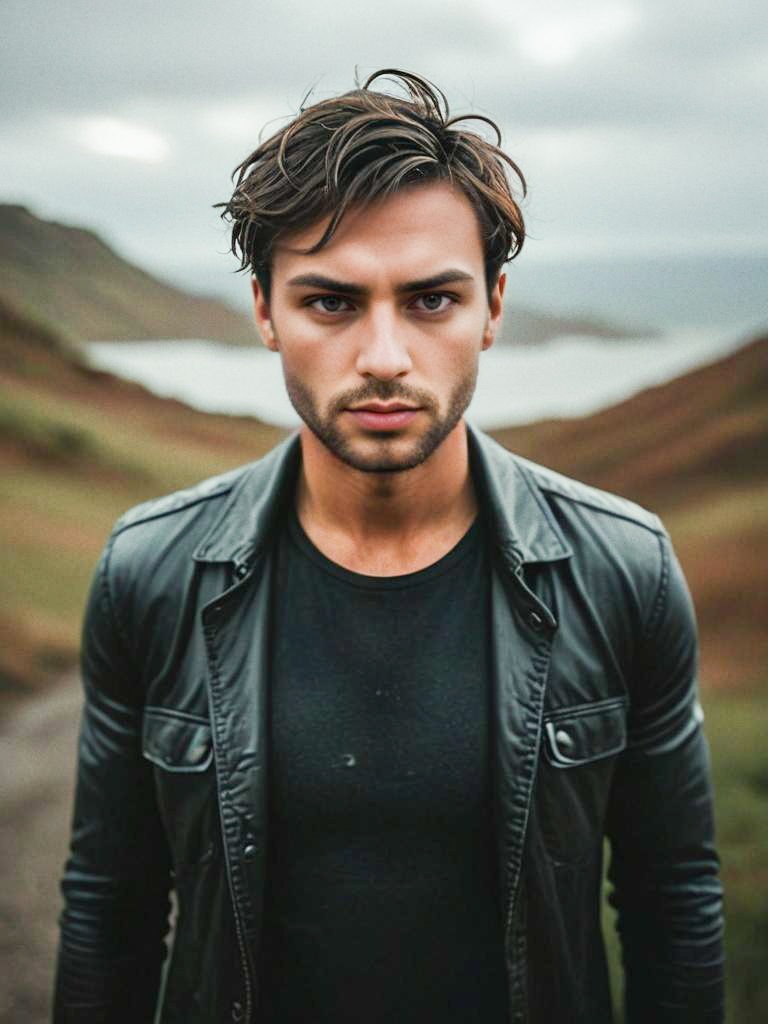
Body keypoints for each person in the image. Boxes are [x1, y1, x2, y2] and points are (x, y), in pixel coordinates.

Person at [54, 70, 724, 1023]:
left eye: (430, 301)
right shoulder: (148, 571)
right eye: (329, 303)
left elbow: (673, 903)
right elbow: (110, 910)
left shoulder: (627, 571)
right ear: (264, 310)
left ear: (493, 307)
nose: (382, 357)